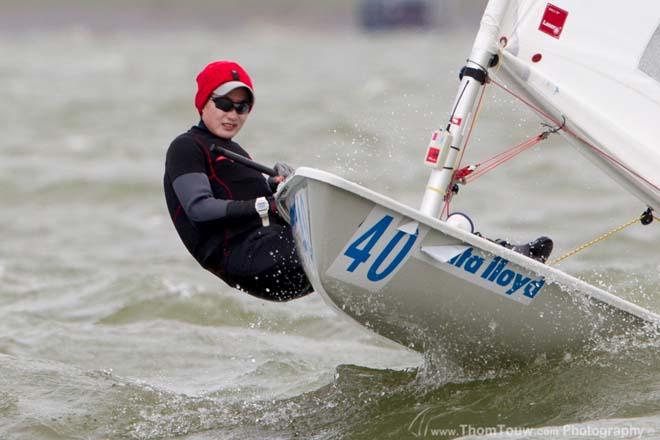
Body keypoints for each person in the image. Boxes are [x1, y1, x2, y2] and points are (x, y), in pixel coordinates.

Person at [164, 60, 312, 301]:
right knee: (329, 244)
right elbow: (199, 208)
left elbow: (250, 203)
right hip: (247, 259)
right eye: (224, 104)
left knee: (341, 238)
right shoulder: (186, 147)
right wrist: (267, 203)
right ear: (203, 103)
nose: (232, 114)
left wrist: (279, 188)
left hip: (274, 250)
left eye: (242, 107)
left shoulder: (235, 152)